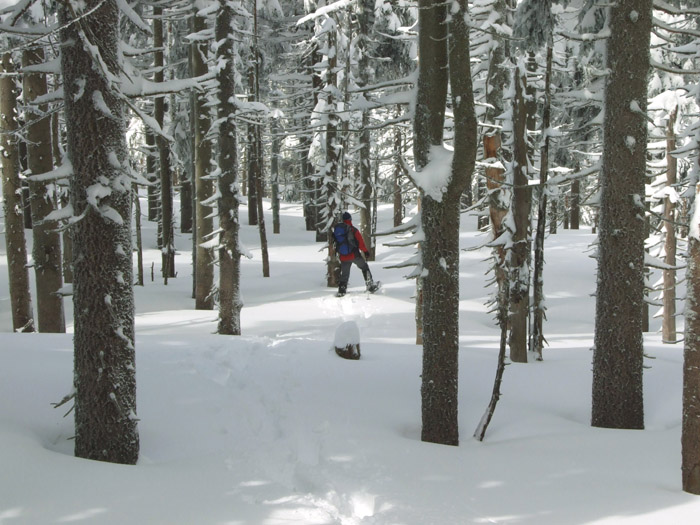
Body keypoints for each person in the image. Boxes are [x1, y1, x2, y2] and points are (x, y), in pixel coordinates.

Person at [334, 212, 379, 297]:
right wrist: (365, 251)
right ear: (350, 219)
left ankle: (342, 290)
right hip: (354, 255)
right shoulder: (353, 230)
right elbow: (360, 243)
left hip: (343, 257)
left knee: (345, 274)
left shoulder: (338, 230)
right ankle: (370, 285)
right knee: (364, 267)